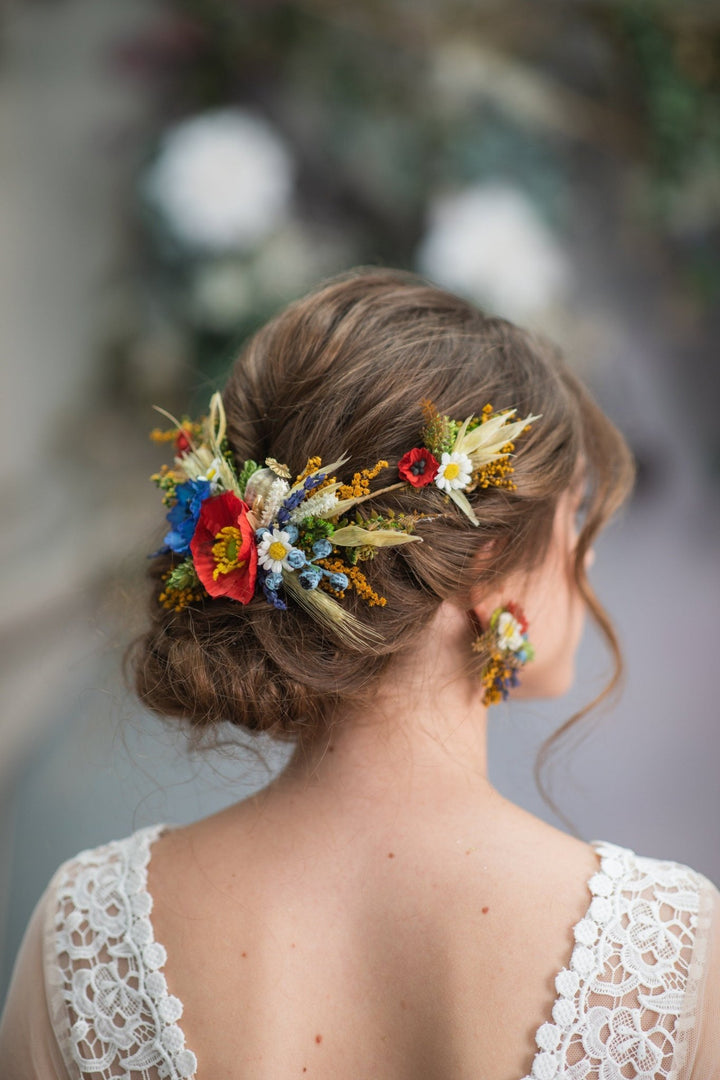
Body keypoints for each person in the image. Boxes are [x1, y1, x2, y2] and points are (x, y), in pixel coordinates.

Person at [1, 267, 718, 1079]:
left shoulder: (84, 930)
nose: (585, 559)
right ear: (485, 567)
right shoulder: (668, 950)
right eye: (574, 516)